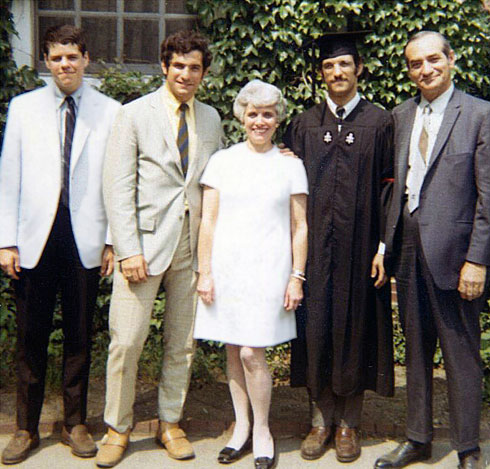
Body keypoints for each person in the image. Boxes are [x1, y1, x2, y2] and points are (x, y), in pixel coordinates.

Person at [374, 31, 490, 469]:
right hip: (408, 248)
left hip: (456, 254)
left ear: (451, 59)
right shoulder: (401, 115)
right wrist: (385, 244)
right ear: (409, 69)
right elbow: (393, 186)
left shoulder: (480, 114)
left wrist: (478, 259)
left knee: (461, 353)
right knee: (414, 351)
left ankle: (468, 446)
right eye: (416, 64)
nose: (425, 70)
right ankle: (417, 439)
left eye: (433, 60)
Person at [96, 31, 224, 468]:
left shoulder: (211, 118)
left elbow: (218, 180)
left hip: (191, 247)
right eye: (178, 66)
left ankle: (170, 422)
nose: (186, 74)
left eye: (195, 67)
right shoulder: (133, 115)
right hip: (144, 249)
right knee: (127, 341)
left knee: (181, 344)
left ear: (204, 73)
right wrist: (127, 249)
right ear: (164, 67)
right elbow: (118, 187)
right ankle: (118, 427)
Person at [0, 25, 120, 464]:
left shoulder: (110, 112)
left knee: (79, 336)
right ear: (46, 62)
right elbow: (8, 175)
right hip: (34, 239)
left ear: (86, 59)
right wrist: (6, 241)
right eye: (56, 58)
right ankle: (25, 428)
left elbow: (116, 181)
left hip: (84, 238)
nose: (64, 65)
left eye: (72, 57)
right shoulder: (23, 108)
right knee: (30, 336)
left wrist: (111, 240)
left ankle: (75, 424)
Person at [283, 31, 394, 463]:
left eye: (344, 64)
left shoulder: (380, 122)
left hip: (360, 252)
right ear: (322, 73)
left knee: (356, 332)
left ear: (358, 68)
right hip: (314, 253)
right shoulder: (303, 124)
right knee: (316, 331)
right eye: (329, 66)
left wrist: (383, 247)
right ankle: (318, 419)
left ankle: (348, 424)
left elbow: (390, 191)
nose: (337, 72)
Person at [194, 79, 308, 469]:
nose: (260, 121)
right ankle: (240, 428)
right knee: (232, 349)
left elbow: (300, 227)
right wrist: (204, 272)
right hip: (227, 270)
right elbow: (207, 222)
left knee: (251, 353)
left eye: (268, 114)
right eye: (253, 114)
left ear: (278, 119)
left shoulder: (291, 165)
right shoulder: (223, 161)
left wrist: (297, 276)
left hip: (268, 271)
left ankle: (263, 430)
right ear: (242, 116)